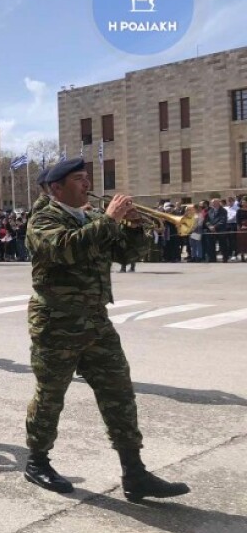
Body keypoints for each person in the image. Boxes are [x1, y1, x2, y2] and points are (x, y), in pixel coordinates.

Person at [24, 158, 190, 502]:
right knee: (51, 395)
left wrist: (133, 228)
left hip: (96, 322)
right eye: (79, 179)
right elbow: (66, 249)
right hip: (57, 323)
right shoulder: (43, 220)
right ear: (57, 188)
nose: (87, 184)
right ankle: (37, 462)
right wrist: (111, 220)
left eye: (87, 178)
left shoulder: (93, 218)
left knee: (119, 393)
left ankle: (135, 472)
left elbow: (129, 254)